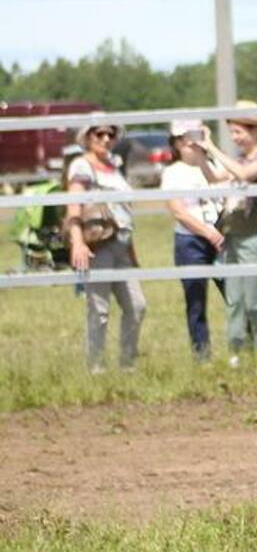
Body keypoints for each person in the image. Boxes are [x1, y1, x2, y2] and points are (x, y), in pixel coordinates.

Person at [198, 102, 257, 362]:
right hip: (233, 240)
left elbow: (243, 174)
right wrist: (200, 154)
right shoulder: (240, 159)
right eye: (232, 132)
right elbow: (214, 177)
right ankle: (238, 355)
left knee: (255, 303)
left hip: (254, 240)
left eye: (238, 132)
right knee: (235, 301)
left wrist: (212, 147)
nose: (234, 138)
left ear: (255, 131)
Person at [64, 123, 147, 372]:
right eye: (99, 133)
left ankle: (127, 365)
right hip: (98, 245)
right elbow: (74, 206)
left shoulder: (115, 165)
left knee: (137, 306)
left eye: (111, 134)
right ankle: (96, 367)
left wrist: (132, 253)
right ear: (87, 137)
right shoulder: (82, 165)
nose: (106, 138)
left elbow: (123, 213)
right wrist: (77, 242)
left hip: (122, 243)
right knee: (99, 310)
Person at [161, 119, 226, 360]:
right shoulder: (172, 172)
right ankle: (202, 355)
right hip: (191, 242)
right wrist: (206, 232)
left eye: (194, 135)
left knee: (235, 295)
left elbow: (226, 179)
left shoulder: (213, 163)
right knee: (196, 302)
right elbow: (178, 211)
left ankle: (242, 348)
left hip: (222, 238)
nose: (189, 142)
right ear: (175, 143)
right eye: (183, 138)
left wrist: (208, 145)